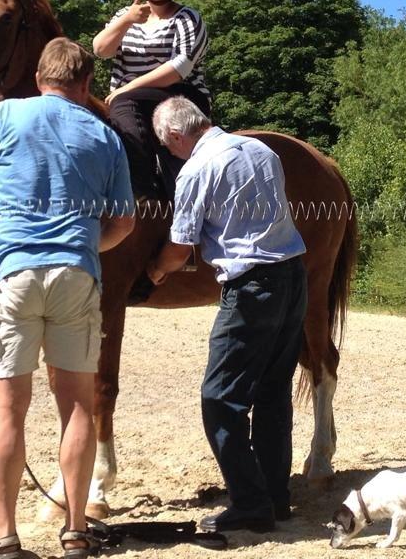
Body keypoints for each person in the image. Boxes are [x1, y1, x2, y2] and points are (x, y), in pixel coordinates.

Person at [0, 38, 135, 559]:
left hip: (13, 274)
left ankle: (5, 535)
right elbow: (125, 221)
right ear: (85, 86)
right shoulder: (104, 137)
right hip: (76, 276)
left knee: (8, 408)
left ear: (41, 78)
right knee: (79, 407)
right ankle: (76, 531)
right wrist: (87, 244)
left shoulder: (7, 115)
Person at [146, 97, 307, 533]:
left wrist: (155, 270)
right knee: (273, 391)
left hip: (252, 286)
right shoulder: (261, 149)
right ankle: (275, 499)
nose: (170, 153)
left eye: (168, 145)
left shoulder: (196, 170)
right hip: (293, 276)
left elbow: (180, 249)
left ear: (177, 136)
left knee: (220, 399)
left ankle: (250, 504)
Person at [92, 0, 210, 199]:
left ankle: (144, 191)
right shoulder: (125, 15)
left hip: (180, 99)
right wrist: (126, 21)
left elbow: (179, 67)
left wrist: (129, 87)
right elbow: (101, 50)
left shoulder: (187, 18)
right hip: (127, 102)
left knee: (123, 101)